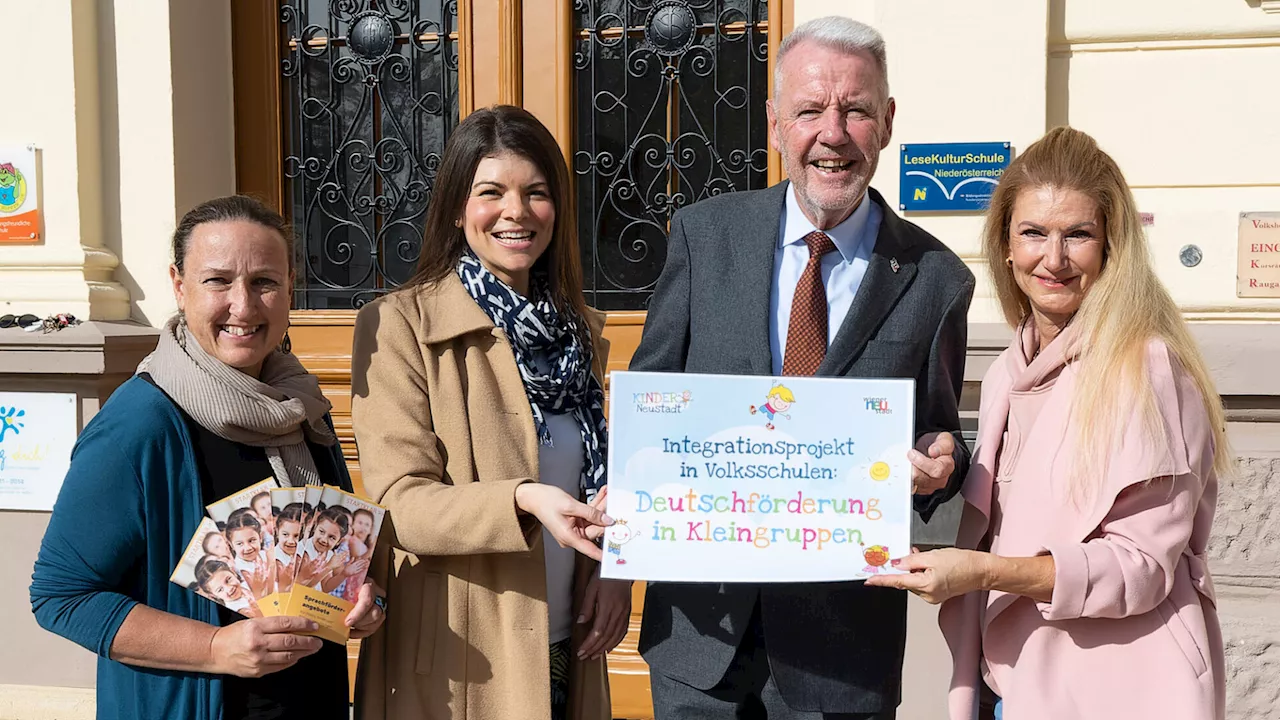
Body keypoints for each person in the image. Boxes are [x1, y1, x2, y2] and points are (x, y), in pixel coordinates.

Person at [630, 16, 974, 720]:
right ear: (775, 123)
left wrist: (945, 464)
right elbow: (651, 401)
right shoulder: (704, 235)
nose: (833, 132)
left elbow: (940, 436)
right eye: (811, 109)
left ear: (887, 122)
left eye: (855, 110)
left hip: (842, 657)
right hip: (701, 641)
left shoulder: (938, 279)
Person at [865, 127, 1228, 720]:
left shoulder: (1146, 366)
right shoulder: (1011, 367)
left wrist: (982, 572)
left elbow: (1139, 568)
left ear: (1111, 246)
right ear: (1006, 246)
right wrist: (941, 470)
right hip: (1011, 685)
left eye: (1077, 235)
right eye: (1033, 232)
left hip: (1118, 688)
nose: (1052, 259)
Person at [29, 195, 386, 720]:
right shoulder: (141, 423)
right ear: (179, 285)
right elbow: (62, 596)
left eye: (264, 281)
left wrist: (361, 599)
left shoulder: (301, 406)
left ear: (290, 284)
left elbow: (323, 561)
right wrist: (216, 649)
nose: (243, 306)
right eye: (218, 280)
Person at [350, 105, 626, 720]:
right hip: (464, 660)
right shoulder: (400, 324)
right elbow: (400, 504)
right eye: (491, 192)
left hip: (567, 641)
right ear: (456, 207)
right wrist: (523, 499)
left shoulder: (576, 334)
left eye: (536, 193)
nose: (516, 212)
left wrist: (617, 574)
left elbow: (602, 486)